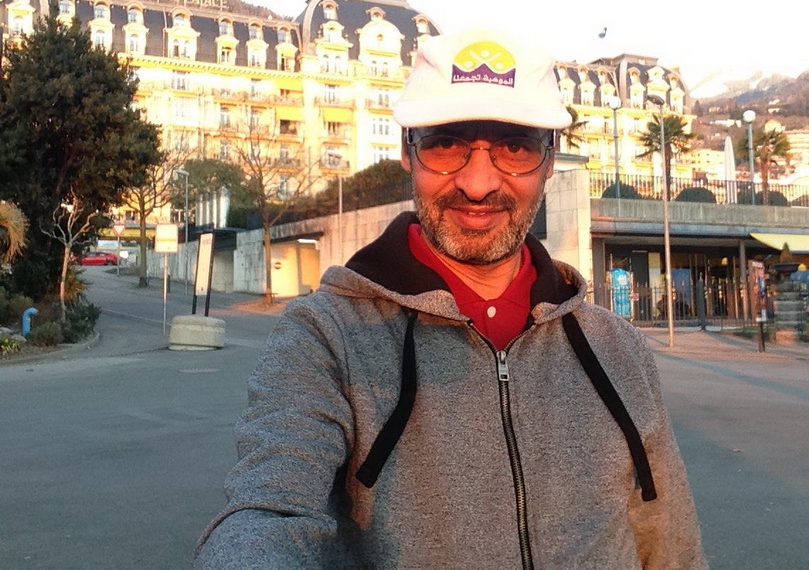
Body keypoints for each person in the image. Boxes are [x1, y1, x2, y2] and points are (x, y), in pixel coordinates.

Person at [195, 29, 707, 569]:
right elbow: (270, 510)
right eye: (445, 144)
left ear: (550, 161)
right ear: (406, 152)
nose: (479, 184)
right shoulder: (327, 337)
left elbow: (667, 538)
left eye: (515, 147)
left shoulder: (617, 347)